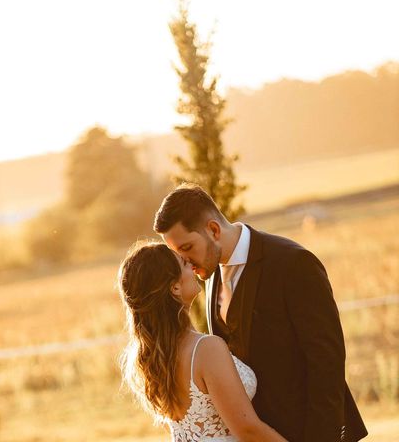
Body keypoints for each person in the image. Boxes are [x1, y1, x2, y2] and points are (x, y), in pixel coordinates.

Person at [153, 183, 367, 442]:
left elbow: (327, 362)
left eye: (187, 248)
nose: (186, 262)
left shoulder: (292, 263)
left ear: (213, 229)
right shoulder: (209, 277)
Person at [118, 241, 287, 441]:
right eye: (183, 263)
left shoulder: (149, 358)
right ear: (175, 288)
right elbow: (248, 430)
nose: (192, 265)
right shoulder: (206, 349)